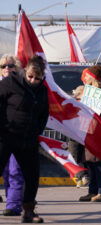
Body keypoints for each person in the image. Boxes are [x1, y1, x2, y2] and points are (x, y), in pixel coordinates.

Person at [0, 55, 49, 223]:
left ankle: (28, 211)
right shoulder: (10, 83)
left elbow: (44, 114)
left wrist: (36, 130)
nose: (33, 80)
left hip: (27, 139)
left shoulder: (42, 90)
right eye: (30, 76)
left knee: (32, 176)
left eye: (37, 78)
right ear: (24, 72)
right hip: (6, 136)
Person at [75, 65, 101, 202]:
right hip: (88, 130)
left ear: (92, 77)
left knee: (99, 162)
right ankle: (92, 191)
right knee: (90, 162)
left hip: (99, 130)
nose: (84, 79)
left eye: (86, 76)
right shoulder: (88, 91)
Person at [0, 54, 24, 216]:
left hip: (19, 135)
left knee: (15, 170)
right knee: (6, 171)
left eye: (10, 65)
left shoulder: (24, 87)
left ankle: (13, 204)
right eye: (3, 66)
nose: (7, 68)